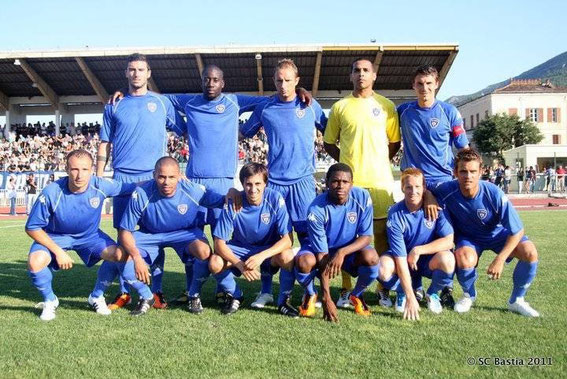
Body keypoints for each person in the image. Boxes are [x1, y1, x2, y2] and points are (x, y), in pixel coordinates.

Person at [97, 53, 183, 310]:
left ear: (149, 73)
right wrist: (100, 175)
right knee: (125, 237)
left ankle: (156, 291)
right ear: (126, 73)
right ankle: (125, 291)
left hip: (152, 179)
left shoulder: (162, 102)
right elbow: (105, 143)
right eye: (131, 69)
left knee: (154, 237)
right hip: (122, 178)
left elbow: (184, 129)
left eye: (141, 69)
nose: (136, 73)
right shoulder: (114, 104)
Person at [239, 59, 327, 309]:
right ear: (273, 81)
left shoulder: (309, 105)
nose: (283, 85)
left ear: (297, 81)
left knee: (308, 235)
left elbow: (330, 130)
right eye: (279, 80)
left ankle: (311, 291)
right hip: (275, 183)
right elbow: (243, 133)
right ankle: (267, 291)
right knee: (271, 238)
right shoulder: (266, 108)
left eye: (288, 80)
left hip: (302, 183)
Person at [323, 58, 400, 307]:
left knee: (382, 238)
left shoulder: (386, 106)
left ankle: (382, 288)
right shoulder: (340, 107)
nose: (361, 74)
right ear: (351, 76)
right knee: (346, 237)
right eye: (357, 70)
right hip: (351, 185)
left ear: (374, 76)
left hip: (380, 183)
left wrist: (378, 161)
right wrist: (347, 166)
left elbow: (394, 143)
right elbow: (328, 142)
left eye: (366, 70)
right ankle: (346, 289)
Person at [25, 150, 135, 321]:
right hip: (56, 236)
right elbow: (32, 227)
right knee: (35, 262)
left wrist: (163, 180)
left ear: (92, 169)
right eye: (74, 169)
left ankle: (96, 297)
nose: (79, 175)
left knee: (120, 254)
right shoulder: (52, 192)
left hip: (89, 236)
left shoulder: (100, 185)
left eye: (84, 169)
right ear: (67, 169)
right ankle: (50, 301)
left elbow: (132, 187)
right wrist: (58, 251)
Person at [118, 157, 234, 315]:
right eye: (161, 177)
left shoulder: (193, 190)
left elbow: (224, 201)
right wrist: (137, 258)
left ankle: (194, 294)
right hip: (150, 234)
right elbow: (124, 231)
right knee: (121, 253)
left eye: (171, 177)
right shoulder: (141, 193)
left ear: (180, 176)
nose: (166, 182)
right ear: (154, 175)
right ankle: (146, 295)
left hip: (184, 234)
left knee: (204, 251)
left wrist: (233, 192)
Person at [431, 148, 540, 317]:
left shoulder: (493, 193)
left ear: (481, 172)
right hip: (470, 239)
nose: (468, 176)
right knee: (464, 256)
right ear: (455, 172)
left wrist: (500, 259)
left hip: (498, 235)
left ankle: (517, 300)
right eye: (463, 171)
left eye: (473, 171)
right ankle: (468, 295)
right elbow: (424, 188)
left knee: (530, 252)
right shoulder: (447, 190)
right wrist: (429, 197)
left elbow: (517, 230)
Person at [396, 64, 468, 306]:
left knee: (446, 237)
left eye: (429, 83)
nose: (424, 88)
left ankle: (443, 287)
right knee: (413, 234)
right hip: (414, 184)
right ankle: (414, 287)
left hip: (444, 185)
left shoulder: (450, 112)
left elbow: (463, 149)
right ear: (413, 86)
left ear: (436, 84)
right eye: (419, 84)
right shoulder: (403, 111)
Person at [209, 163, 298, 317]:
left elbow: (288, 240)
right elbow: (218, 243)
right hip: (241, 249)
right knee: (214, 262)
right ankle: (235, 295)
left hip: (268, 250)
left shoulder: (275, 199)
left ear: (265, 184)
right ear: (242, 184)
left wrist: (261, 256)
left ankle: (283, 301)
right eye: (248, 184)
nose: (253, 189)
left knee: (288, 255)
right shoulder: (234, 201)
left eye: (258, 184)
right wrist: (239, 264)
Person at [295, 163, 379, 321]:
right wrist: (327, 297)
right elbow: (322, 255)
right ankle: (311, 294)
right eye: (335, 181)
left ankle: (357, 295)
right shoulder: (316, 210)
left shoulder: (362, 197)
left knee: (372, 257)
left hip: (347, 249)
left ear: (352, 184)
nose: (340, 186)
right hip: (320, 250)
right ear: (327, 183)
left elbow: (366, 237)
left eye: (345, 182)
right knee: (304, 262)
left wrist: (342, 252)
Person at [378, 168, 455, 320]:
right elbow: (400, 258)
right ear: (402, 188)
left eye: (418, 187)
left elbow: (449, 240)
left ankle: (432, 293)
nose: (413, 191)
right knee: (383, 267)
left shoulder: (435, 208)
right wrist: (410, 297)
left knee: (448, 260)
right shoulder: (395, 214)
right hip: (404, 259)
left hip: (427, 260)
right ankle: (403, 292)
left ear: (424, 188)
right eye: (408, 187)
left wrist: (419, 250)